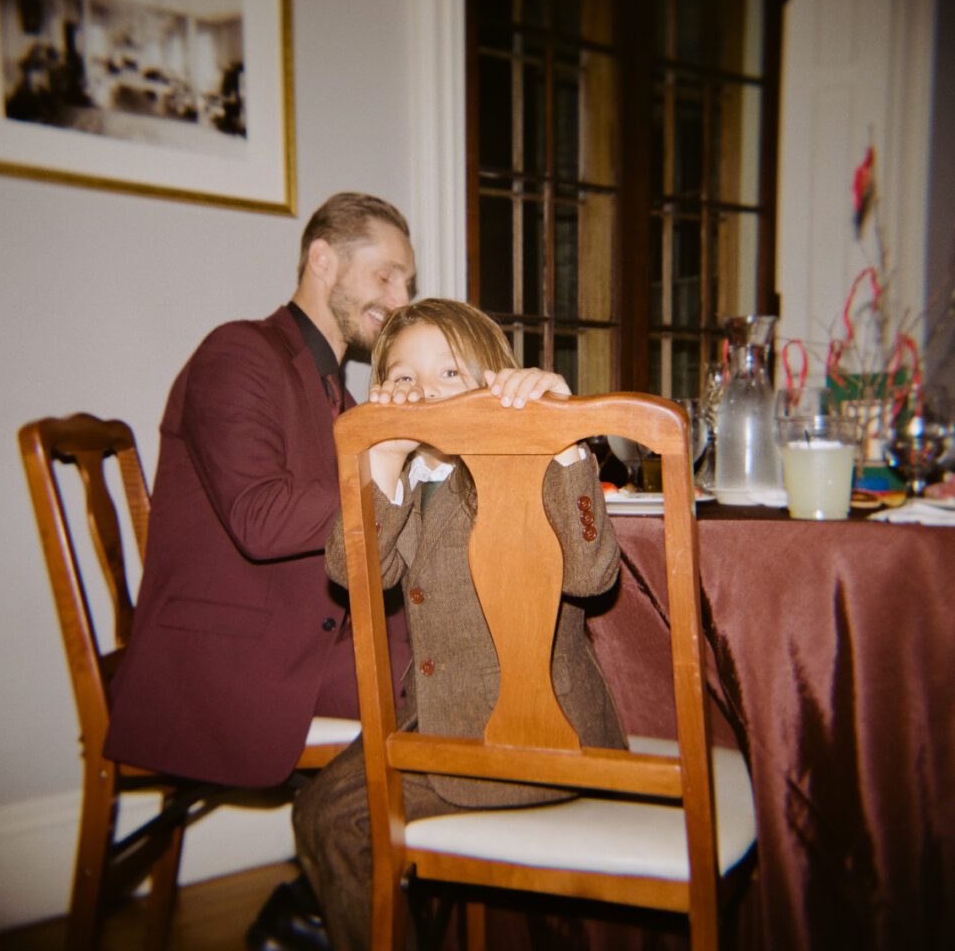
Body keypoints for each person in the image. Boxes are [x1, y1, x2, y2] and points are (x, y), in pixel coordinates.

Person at [102, 192, 417, 950]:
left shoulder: (335, 392)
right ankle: (331, 878)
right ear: (322, 260)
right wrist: (383, 472)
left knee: (460, 648)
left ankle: (333, 888)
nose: (400, 301)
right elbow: (261, 517)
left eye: (407, 284)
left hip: (302, 631)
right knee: (440, 681)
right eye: (387, 277)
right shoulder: (237, 353)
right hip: (222, 656)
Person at [292, 299, 627, 951]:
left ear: (493, 380)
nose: (424, 393)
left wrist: (559, 435)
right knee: (317, 809)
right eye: (403, 377)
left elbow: (591, 577)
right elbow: (357, 574)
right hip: (440, 724)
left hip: (539, 738)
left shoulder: (518, 469)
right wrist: (381, 460)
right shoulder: (416, 475)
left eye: (448, 374)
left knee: (336, 820)